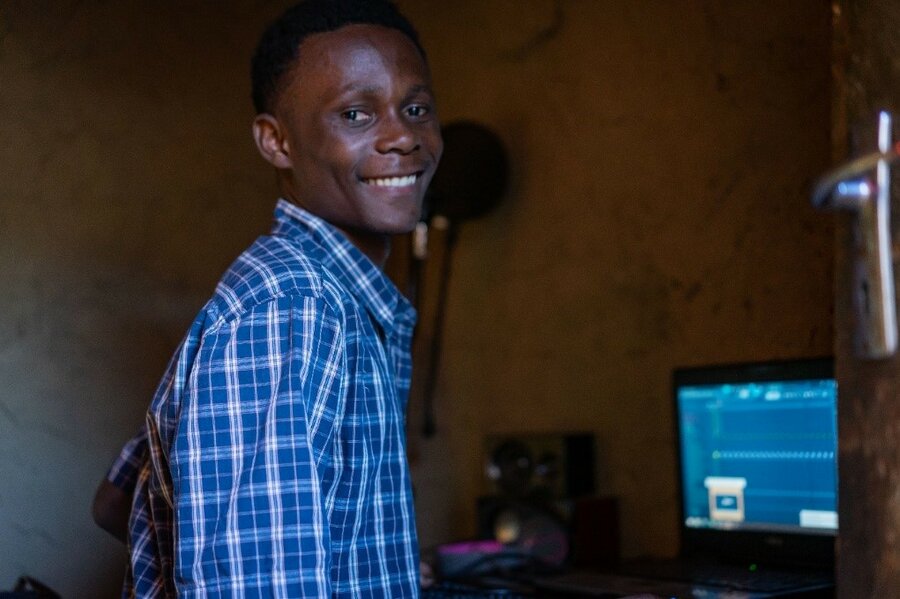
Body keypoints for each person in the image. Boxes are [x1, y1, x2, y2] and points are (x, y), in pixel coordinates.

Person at [93, 0, 442, 595]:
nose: (403, 136)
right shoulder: (292, 307)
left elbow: (116, 502)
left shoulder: (333, 295)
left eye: (415, 108)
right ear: (276, 141)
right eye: (357, 114)